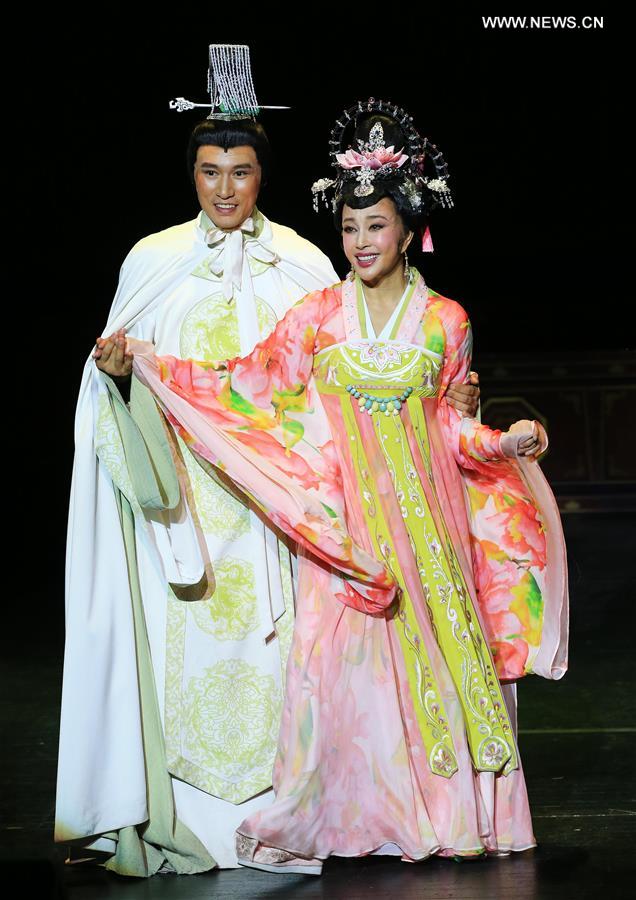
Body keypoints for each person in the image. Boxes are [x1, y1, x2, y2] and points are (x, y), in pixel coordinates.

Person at [56, 61, 481, 876]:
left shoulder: (301, 264)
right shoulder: (153, 259)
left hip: (276, 511)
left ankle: (301, 818)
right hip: (186, 510)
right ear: (191, 175)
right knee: (186, 671)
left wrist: (447, 401)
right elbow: (112, 377)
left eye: (242, 171)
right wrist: (118, 370)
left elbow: (344, 379)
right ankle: (180, 821)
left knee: (288, 662)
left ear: (262, 176)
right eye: (210, 172)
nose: (226, 188)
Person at [128, 99, 568, 876]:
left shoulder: (445, 321)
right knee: (339, 685)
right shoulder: (317, 318)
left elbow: (451, 429)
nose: (361, 242)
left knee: (439, 676)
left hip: (431, 533)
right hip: (346, 534)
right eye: (351, 228)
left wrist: (506, 440)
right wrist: (154, 366)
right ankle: (350, 821)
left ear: (408, 230)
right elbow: (250, 386)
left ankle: (446, 818)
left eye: (376, 226)